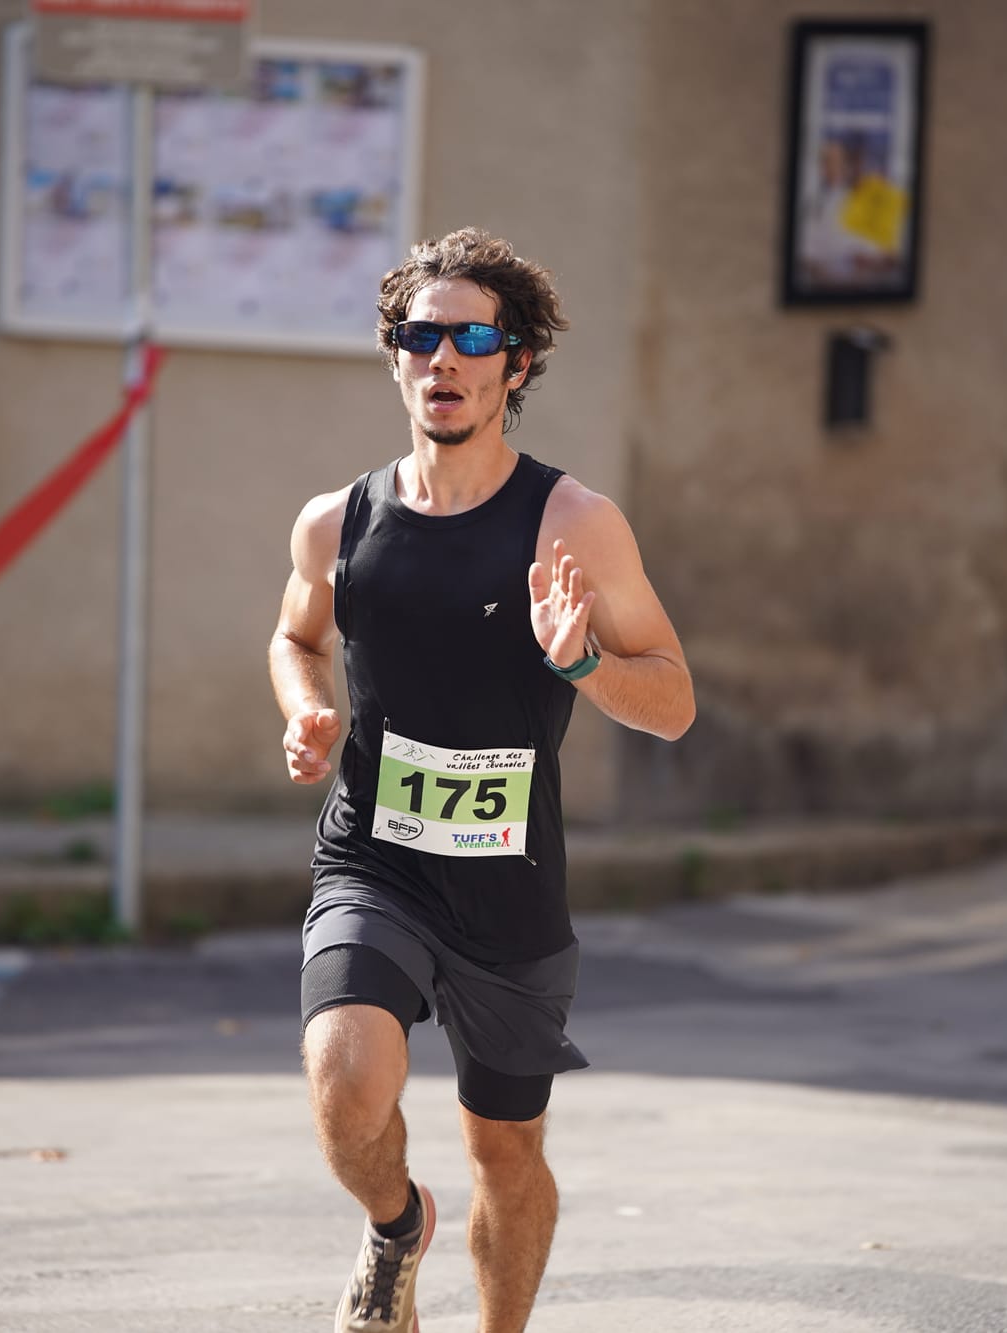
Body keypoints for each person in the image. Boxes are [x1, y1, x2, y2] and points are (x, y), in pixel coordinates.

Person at [269, 228, 696, 1333]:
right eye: (421, 335)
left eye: (471, 338)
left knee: (504, 1153)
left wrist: (584, 663)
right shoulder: (339, 522)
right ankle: (395, 1224)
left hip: (510, 889)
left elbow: (675, 696)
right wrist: (304, 709)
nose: (442, 358)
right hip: (373, 858)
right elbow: (293, 635)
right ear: (394, 355)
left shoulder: (573, 525)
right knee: (342, 1075)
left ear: (514, 364)